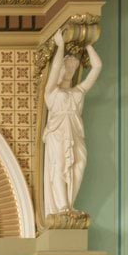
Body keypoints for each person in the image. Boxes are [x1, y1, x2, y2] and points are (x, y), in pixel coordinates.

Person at [41, 33, 103, 222]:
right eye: (65, 67)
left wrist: (88, 44)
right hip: (57, 132)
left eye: (72, 67)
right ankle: (62, 207)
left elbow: (97, 67)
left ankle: (69, 202)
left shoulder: (78, 91)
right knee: (59, 166)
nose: (68, 70)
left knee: (79, 164)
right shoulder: (52, 92)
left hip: (75, 131)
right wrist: (60, 47)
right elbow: (54, 70)